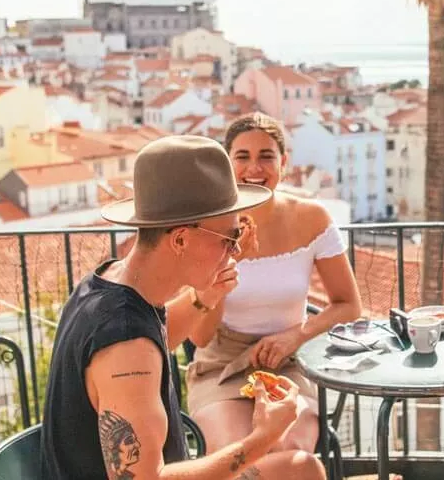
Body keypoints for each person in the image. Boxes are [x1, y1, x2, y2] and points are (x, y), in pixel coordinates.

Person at [40, 135, 326, 480]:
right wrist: (263, 438)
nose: (235, 250)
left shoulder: (111, 281)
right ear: (180, 240)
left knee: (302, 469)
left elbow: (161, 337)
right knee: (303, 471)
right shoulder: (127, 345)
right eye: (229, 238)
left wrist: (208, 294)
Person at [186, 112, 362, 454]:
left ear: (283, 162)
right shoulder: (205, 226)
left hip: (291, 361)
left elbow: (348, 305)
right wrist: (226, 261)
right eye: (242, 157)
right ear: (227, 164)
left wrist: (296, 336)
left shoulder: (312, 217)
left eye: (266, 156)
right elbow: (200, 336)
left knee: (288, 452)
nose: (255, 168)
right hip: (222, 363)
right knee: (235, 455)